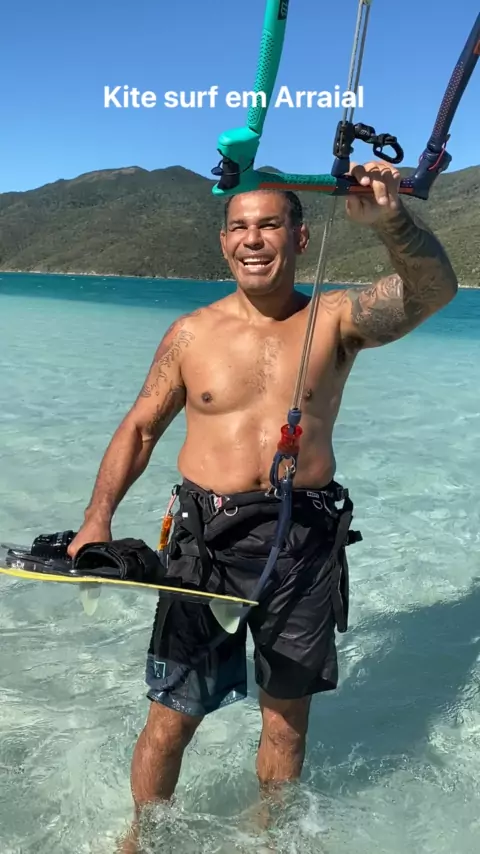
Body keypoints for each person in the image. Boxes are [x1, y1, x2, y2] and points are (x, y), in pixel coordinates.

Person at [67, 160, 458, 851]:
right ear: (223, 241)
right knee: (171, 717)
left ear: (299, 237)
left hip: (301, 543)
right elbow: (142, 428)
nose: (253, 239)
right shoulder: (191, 334)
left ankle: (271, 841)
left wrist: (391, 219)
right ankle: (141, 838)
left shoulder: (335, 321)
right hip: (205, 545)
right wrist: (97, 519)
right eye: (240, 227)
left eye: (270, 225)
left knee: (285, 725)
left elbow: (434, 289)